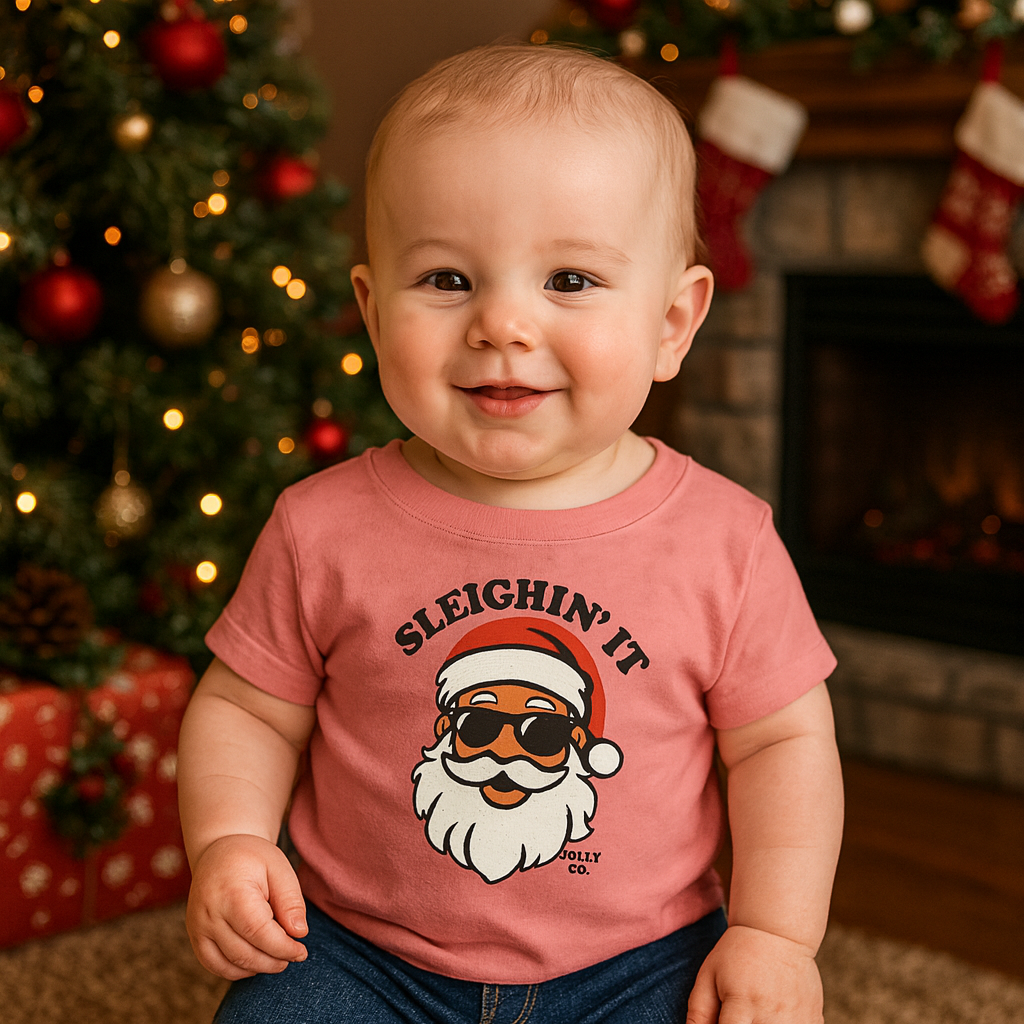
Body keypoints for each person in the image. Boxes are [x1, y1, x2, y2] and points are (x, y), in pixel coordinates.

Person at [178, 42, 843, 1024]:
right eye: (447, 278)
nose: (500, 324)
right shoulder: (320, 525)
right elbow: (245, 709)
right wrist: (230, 841)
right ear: (370, 309)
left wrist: (775, 935)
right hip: (363, 955)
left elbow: (783, 744)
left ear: (671, 322)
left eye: (569, 279)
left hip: (639, 964)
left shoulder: (724, 541)